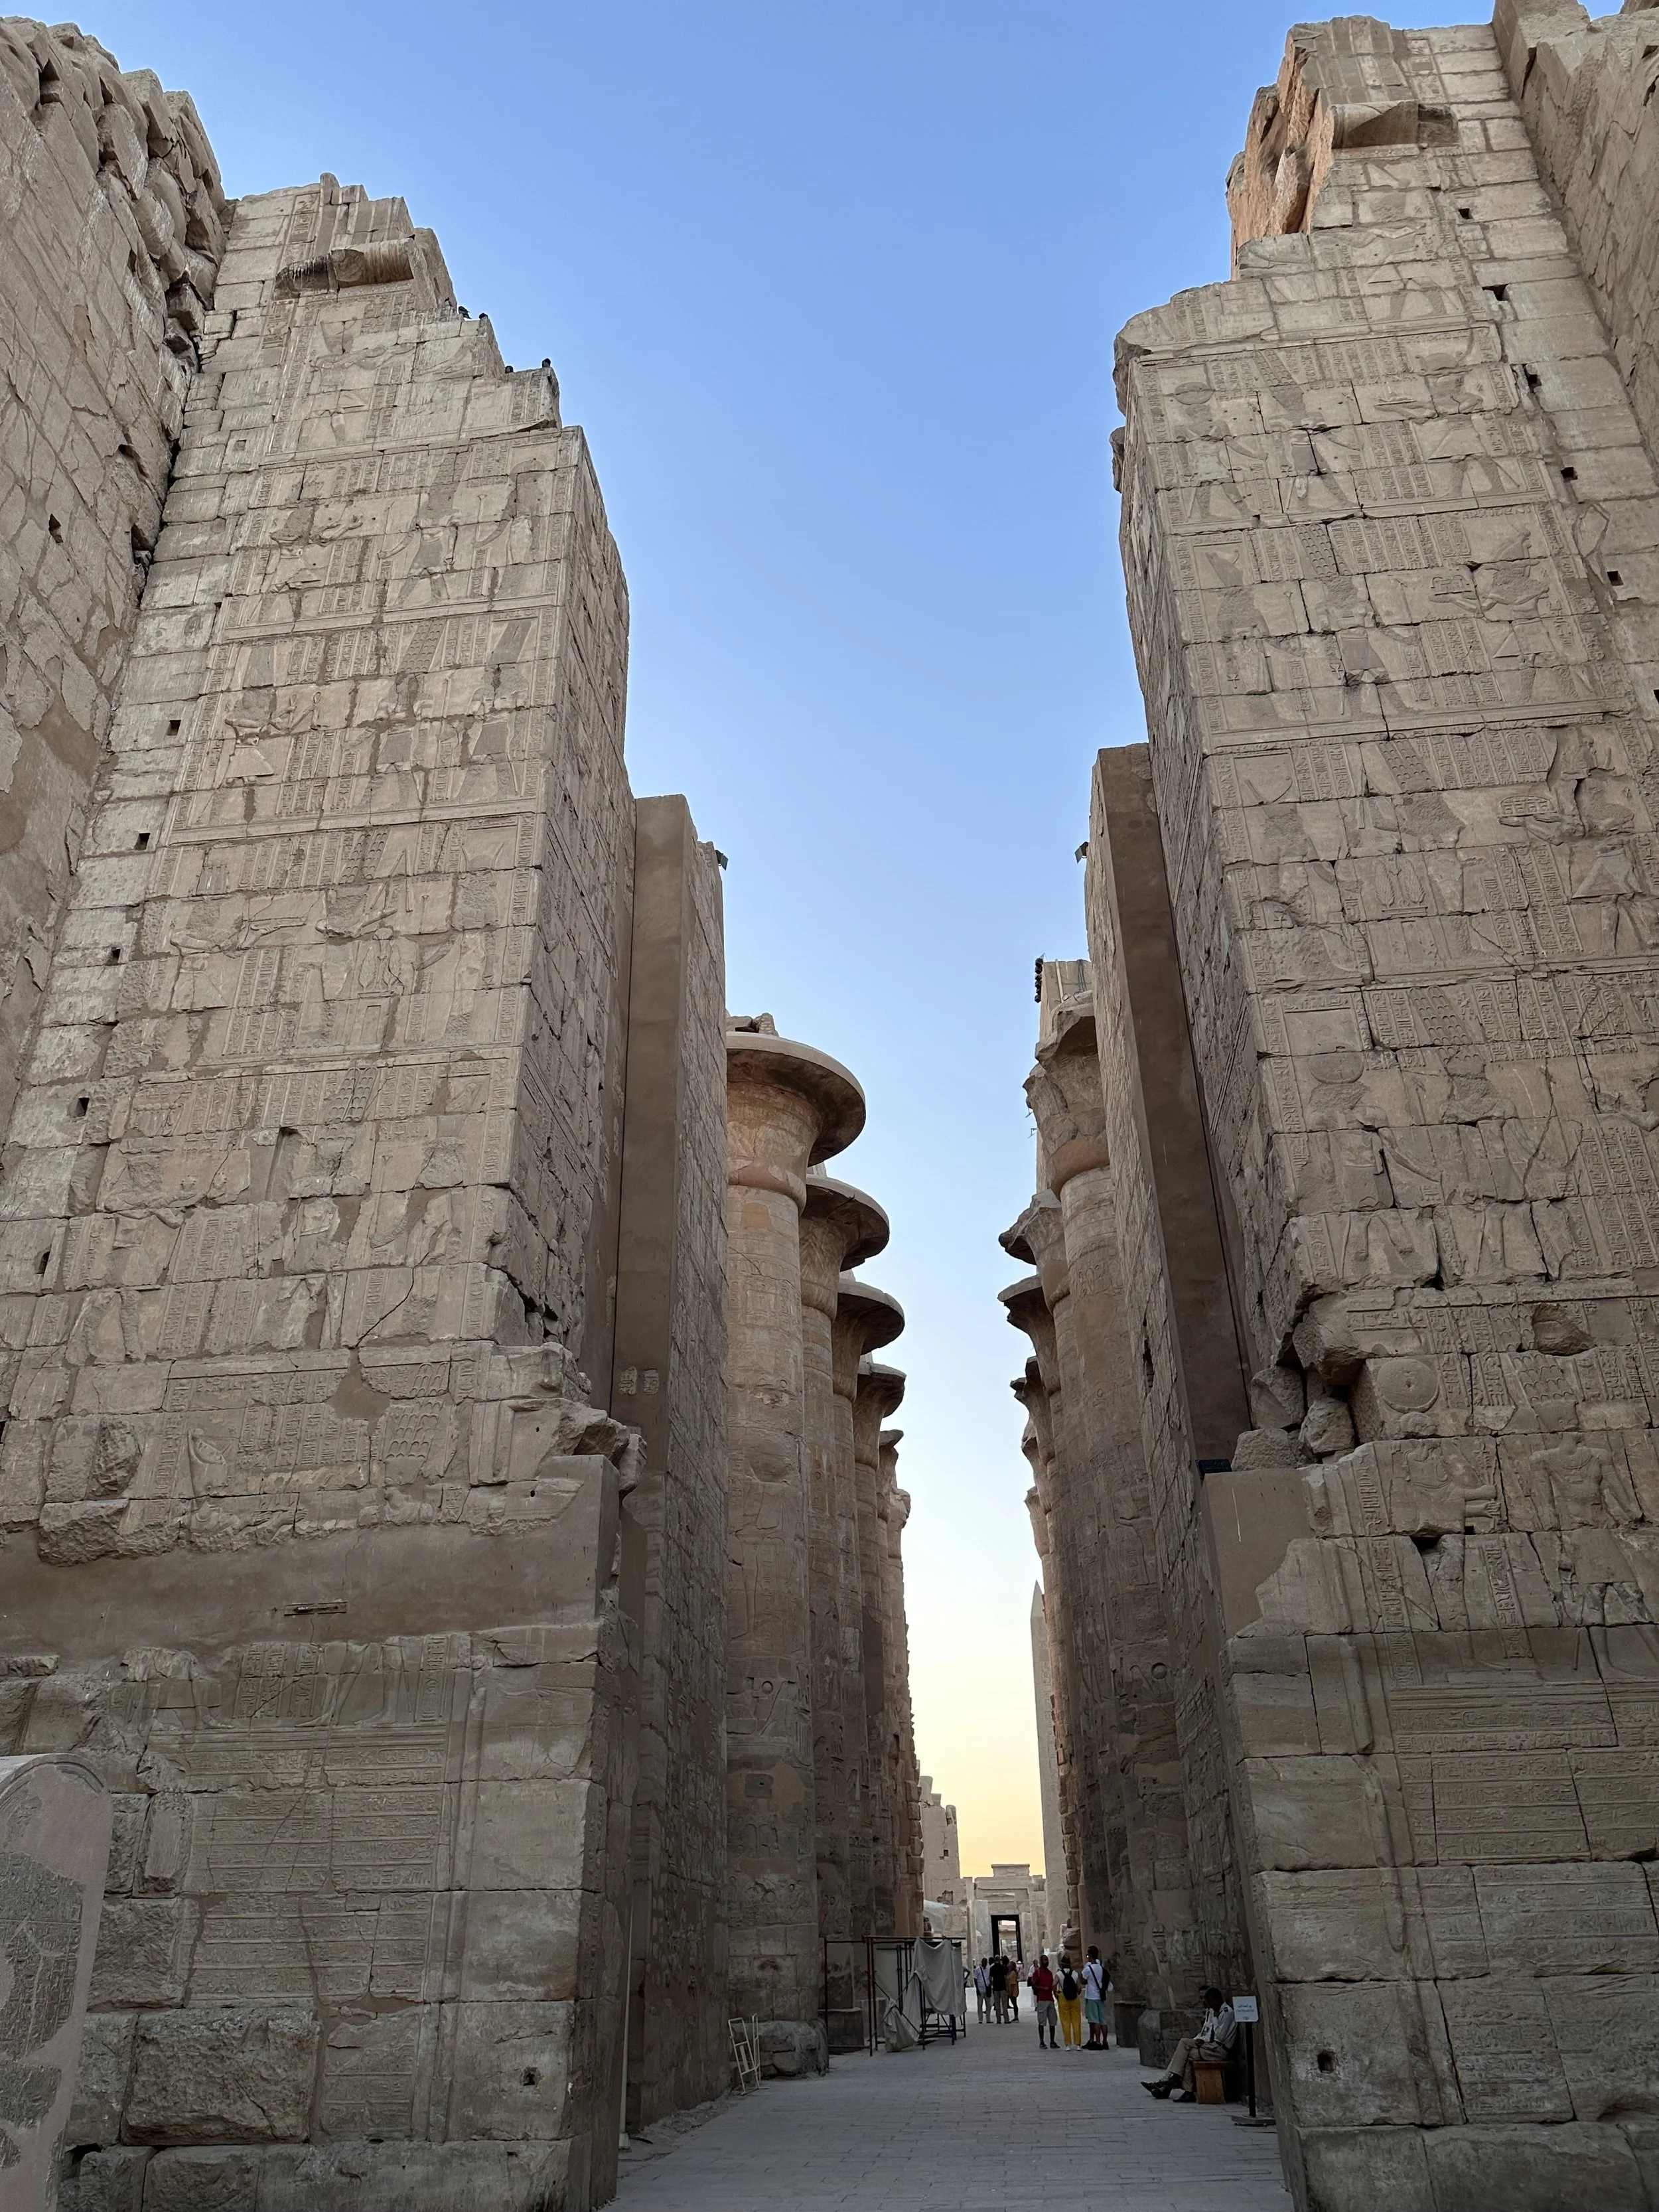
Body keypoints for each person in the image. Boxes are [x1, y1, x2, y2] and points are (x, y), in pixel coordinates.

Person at [1144, 1987, 1238, 2102]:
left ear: (1215, 2000)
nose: (1206, 2004)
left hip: (1219, 2051)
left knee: (1184, 2043)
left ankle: (1168, 2082)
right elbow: (1206, 2032)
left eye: (1208, 2001)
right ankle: (1185, 2091)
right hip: (1210, 2048)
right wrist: (1200, 2041)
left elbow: (1220, 2037)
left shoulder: (1227, 2013)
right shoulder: (1214, 2011)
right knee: (1189, 2055)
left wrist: (1214, 2019)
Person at [1082, 1945, 1110, 2049]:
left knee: (1095, 2020)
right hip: (1101, 1996)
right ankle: (1105, 2041)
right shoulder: (1101, 1968)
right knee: (1103, 2020)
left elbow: (1083, 1980)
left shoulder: (1089, 1968)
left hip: (1092, 1996)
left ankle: (1097, 2042)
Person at [1029, 1953, 1058, 2047]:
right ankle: (1042, 2042)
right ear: (1042, 1962)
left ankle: (1052, 2041)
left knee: (1052, 2022)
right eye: (1045, 1960)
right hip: (1042, 1999)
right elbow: (1034, 1986)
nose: (1047, 1961)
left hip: (1050, 1999)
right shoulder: (1037, 1973)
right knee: (1042, 2022)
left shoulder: (1050, 1973)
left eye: (1047, 1960)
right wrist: (1042, 1988)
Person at [1056, 1953, 1084, 2049]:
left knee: (1065, 2021)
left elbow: (1054, 1984)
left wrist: (1056, 1994)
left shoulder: (1059, 1974)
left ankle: (1068, 2044)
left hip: (1064, 1997)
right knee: (1076, 2021)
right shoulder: (1075, 1973)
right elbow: (1079, 1987)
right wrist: (1078, 1993)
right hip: (1074, 1997)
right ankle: (1078, 2044)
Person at [989, 1952, 1007, 2024]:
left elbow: (990, 1978)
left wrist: (992, 1984)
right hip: (1002, 1987)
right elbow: (1005, 1978)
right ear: (999, 1960)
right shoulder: (1003, 1967)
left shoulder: (992, 1968)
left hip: (996, 1988)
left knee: (997, 2004)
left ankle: (998, 2019)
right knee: (1004, 2004)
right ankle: (1006, 2019)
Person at [973, 1957, 991, 2023]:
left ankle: (988, 2019)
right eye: (984, 1962)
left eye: (986, 1962)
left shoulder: (988, 1970)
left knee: (988, 2005)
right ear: (982, 1962)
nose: (985, 1963)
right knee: (980, 2005)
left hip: (987, 1989)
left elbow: (989, 1978)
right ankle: (980, 2019)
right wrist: (977, 1989)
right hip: (980, 1989)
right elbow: (975, 1979)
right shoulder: (978, 1970)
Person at [1005, 1954, 1021, 2024]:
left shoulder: (1013, 1973)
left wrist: (1010, 1992)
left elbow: (1012, 1983)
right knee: (1014, 2003)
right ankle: (1016, 2016)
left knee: (1014, 2003)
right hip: (1012, 1990)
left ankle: (1016, 2017)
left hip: (1013, 1990)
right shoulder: (1011, 1972)